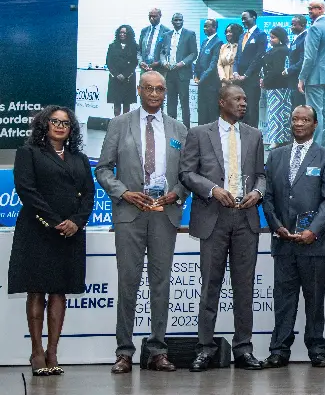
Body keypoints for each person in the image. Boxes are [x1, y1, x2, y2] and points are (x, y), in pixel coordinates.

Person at [95, 71, 188, 374]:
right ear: (138, 90)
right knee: (128, 283)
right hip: (130, 213)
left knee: (160, 284)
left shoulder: (179, 129)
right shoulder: (119, 124)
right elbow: (104, 169)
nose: (154, 94)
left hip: (164, 214)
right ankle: (124, 352)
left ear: (166, 92)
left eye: (160, 89)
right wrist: (124, 193)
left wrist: (177, 193)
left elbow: (189, 174)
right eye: (149, 88)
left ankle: (157, 350)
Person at [178, 84, 267, 372]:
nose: (243, 103)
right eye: (237, 99)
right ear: (221, 102)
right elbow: (187, 172)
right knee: (210, 286)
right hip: (213, 217)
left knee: (244, 287)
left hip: (245, 217)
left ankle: (243, 349)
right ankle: (205, 348)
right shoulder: (199, 134)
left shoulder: (254, 135)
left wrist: (258, 193)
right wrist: (213, 189)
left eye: (245, 99)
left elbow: (261, 176)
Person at [8, 106, 94, 376]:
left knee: (59, 291)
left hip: (70, 232)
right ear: (44, 125)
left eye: (65, 123)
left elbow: (89, 195)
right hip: (38, 229)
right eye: (54, 121)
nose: (59, 126)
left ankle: (53, 351)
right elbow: (26, 190)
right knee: (37, 289)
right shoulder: (29, 153)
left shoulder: (79, 158)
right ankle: (36, 352)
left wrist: (76, 222)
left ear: (72, 128)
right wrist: (55, 221)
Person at [261, 105, 325, 369]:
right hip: (283, 241)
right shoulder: (275, 156)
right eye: (295, 119)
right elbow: (268, 197)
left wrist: (312, 230)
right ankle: (279, 350)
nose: (299, 123)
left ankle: (317, 348)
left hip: (314, 243)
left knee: (314, 301)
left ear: (315, 124)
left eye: (305, 119)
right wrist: (277, 226)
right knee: (284, 300)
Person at [299, 0, 325, 150]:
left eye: (313, 8)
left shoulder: (314, 28)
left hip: (316, 78)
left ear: (321, 9)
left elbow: (309, 57)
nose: (310, 12)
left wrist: (302, 77)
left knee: (316, 113)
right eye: (309, 8)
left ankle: (315, 148)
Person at [159, 13, 198, 128]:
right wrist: (163, 62)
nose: (178, 22)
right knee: (171, 102)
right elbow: (162, 52)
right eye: (175, 20)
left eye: (180, 20)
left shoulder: (190, 34)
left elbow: (193, 53)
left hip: (183, 73)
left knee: (184, 103)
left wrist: (182, 63)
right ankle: (171, 128)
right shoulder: (167, 35)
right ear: (172, 21)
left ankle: (186, 129)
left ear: (183, 21)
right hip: (170, 73)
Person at [233, 10, 268, 128]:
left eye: (245, 18)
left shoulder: (261, 34)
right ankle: (242, 135)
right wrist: (235, 71)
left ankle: (253, 137)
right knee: (241, 109)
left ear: (254, 18)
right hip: (239, 79)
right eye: (242, 19)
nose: (243, 21)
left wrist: (246, 75)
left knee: (251, 108)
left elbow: (258, 57)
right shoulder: (242, 35)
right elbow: (237, 56)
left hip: (251, 79)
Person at [259, 26, 291, 147]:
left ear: (280, 38)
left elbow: (277, 70)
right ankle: (280, 138)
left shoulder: (281, 50)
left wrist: (265, 80)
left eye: (273, 37)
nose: (271, 40)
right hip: (274, 86)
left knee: (276, 113)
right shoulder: (275, 50)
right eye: (270, 37)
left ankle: (277, 140)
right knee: (278, 113)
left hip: (278, 86)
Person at [106, 25, 139, 117]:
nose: (122, 34)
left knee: (126, 103)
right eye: (120, 32)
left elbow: (134, 62)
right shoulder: (112, 46)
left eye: (124, 33)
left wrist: (125, 75)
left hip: (128, 78)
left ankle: (125, 125)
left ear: (129, 34)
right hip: (115, 78)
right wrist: (117, 74)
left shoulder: (134, 47)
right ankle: (116, 123)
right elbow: (109, 62)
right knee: (116, 103)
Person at [195, 19, 223, 125]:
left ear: (214, 27)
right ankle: (200, 134)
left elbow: (213, 65)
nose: (204, 28)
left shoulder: (218, 42)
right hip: (201, 83)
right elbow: (199, 61)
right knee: (201, 110)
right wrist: (196, 75)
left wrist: (201, 79)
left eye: (207, 26)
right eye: (204, 26)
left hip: (211, 84)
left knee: (211, 111)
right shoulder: (205, 41)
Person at [286, 15, 308, 109]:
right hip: (293, 79)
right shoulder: (297, 38)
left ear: (302, 25)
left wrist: (289, 70)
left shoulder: (305, 38)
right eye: (291, 24)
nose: (292, 27)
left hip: (299, 78)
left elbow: (303, 60)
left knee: (300, 106)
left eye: (294, 25)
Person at [138, 8, 169, 72]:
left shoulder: (166, 31)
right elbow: (139, 50)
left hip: (159, 69)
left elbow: (168, 51)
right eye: (150, 16)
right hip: (145, 67)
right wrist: (140, 62)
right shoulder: (144, 31)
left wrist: (159, 62)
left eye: (154, 16)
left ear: (160, 16)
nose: (151, 18)